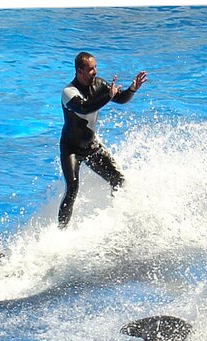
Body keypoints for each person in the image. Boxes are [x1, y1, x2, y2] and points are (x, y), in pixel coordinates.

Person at [58, 51, 148, 227]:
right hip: (71, 149)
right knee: (72, 188)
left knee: (119, 180)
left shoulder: (99, 84)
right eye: (91, 69)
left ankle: (118, 219)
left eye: (96, 68)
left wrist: (132, 90)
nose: (95, 72)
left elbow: (120, 99)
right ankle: (61, 231)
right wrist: (109, 96)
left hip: (91, 147)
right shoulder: (68, 92)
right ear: (79, 71)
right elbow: (84, 108)